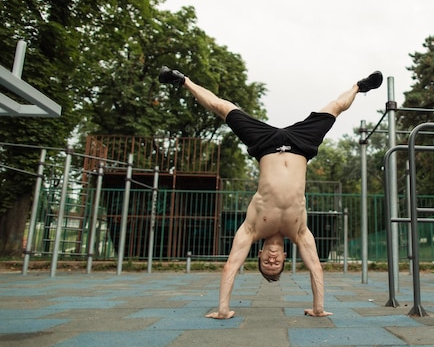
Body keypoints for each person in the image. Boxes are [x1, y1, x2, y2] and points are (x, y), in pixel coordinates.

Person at [159, 66, 383, 319]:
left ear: (261, 255)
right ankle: (359, 87)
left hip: (265, 143)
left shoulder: (251, 230)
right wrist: (318, 308)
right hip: (301, 144)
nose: (272, 261)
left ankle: (182, 80)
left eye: (267, 263)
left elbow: (231, 265)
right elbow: (316, 268)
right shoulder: (299, 232)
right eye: (276, 265)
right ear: (285, 257)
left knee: (222, 108)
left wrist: (223, 309)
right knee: (335, 107)